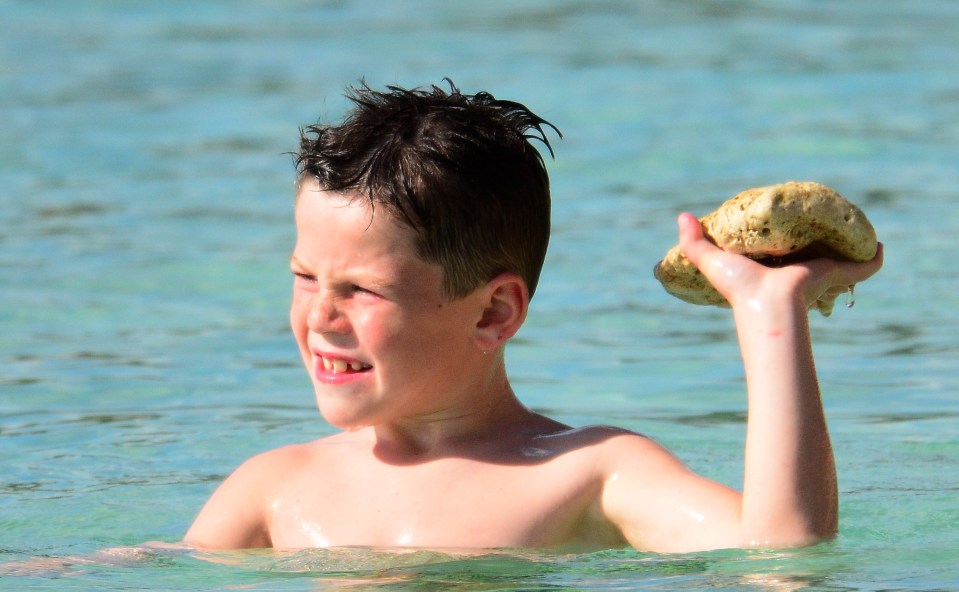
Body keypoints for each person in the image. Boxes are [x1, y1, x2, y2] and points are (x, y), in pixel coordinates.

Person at [184, 81, 883, 553]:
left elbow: (781, 562)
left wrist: (769, 312)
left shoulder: (588, 474)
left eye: (362, 291)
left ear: (493, 311)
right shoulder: (273, 489)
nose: (321, 317)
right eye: (305, 278)